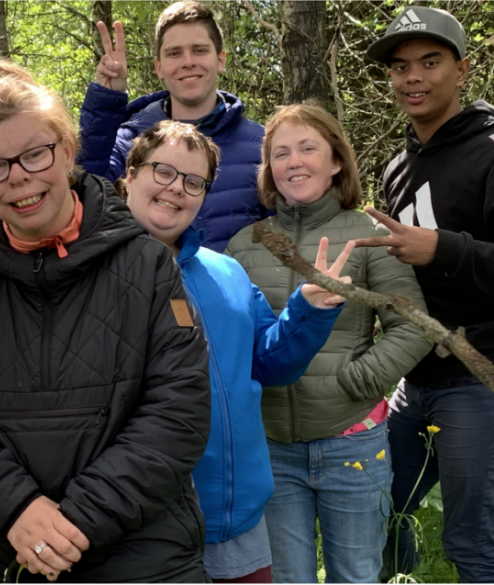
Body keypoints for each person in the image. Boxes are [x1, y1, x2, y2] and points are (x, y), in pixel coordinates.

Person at [0, 58, 211, 583]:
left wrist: (73, 523)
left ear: (67, 151)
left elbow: (178, 409)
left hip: (143, 557)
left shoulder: (148, 264)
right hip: (2, 552)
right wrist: (17, 508)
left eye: (34, 154)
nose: (18, 177)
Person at [358, 7, 494, 582]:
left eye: (430, 61)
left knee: (470, 543)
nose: (412, 77)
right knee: (382, 514)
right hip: (414, 383)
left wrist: (443, 248)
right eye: (400, 67)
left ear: (463, 68)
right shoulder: (397, 167)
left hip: (489, 378)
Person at [119, 120, 347, 583]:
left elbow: (268, 364)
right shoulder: (95, 275)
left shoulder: (226, 272)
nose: (176, 189)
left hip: (240, 519)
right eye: (162, 171)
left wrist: (308, 309)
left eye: (193, 181)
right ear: (130, 175)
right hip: (145, 531)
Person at [226, 104, 432, 583]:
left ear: (336, 161)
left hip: (352, 443)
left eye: (307, 148)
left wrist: (357, 380)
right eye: (280, 153)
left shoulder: (368, 236)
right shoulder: (244, 244)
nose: (294, 161)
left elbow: (414, 324)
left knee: (356, 575)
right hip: (272, 447)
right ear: (269, 170)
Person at [78, 0, 266, 252]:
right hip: (145, 288)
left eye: (199, 50)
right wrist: (107, 103)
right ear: (159, 67)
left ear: (220, 60)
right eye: (174, 53)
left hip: (232, 289)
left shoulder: (261, 144)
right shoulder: (131, 139)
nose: (187, 62)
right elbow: (83, 189)